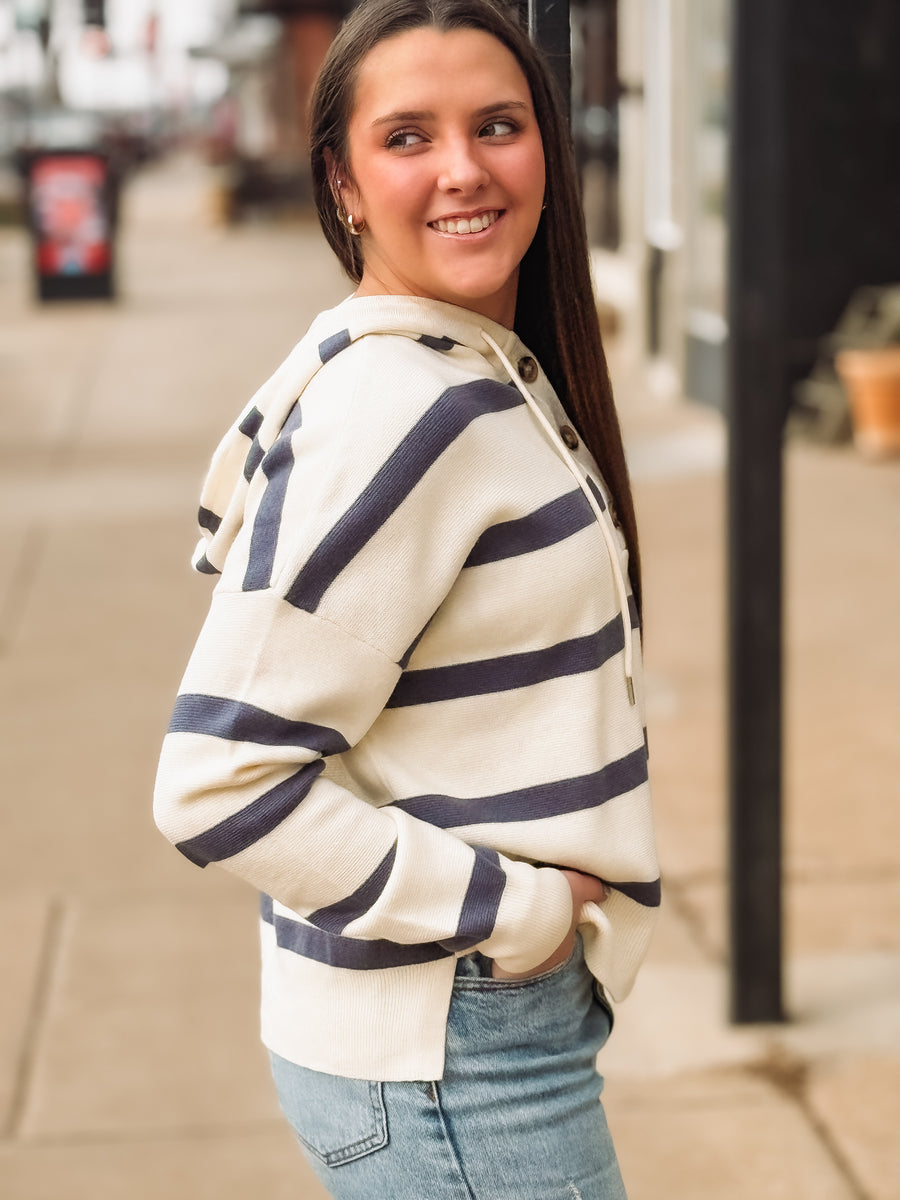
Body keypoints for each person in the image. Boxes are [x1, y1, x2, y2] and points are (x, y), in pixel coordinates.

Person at [153, 1, 660, 1196]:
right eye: (408, 137)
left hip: (466, 1035)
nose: (464, 170)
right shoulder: (397, 409)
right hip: (455, 1053)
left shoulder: (472, 368)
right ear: (342, 183)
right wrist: (517, 913)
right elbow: (218, 782)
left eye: (498, 126)